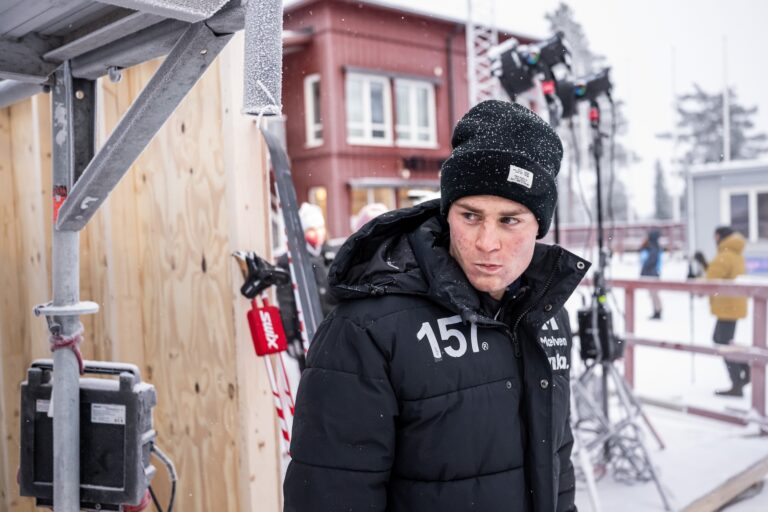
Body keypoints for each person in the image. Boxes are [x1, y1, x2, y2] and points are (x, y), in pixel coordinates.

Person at [283, 100, 590, 511]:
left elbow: (557, 460)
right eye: (470, 216)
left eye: (510, 220)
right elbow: (329, 493)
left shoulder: (547, 315)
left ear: (540, 224)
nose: (487, 242)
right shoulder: (366, 330)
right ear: (447, 215)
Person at [275, 202, 336, 370]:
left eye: (320, 228)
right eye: (311, 229)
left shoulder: (333, 255)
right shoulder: (291, 261)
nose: (317, 233)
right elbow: (286, 302)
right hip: (308, 332)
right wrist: (290, 335)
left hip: (335, 330)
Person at [698, 226, 749, 397]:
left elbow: (711, 279)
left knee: (722, 343)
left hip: (727, 306)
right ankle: (744, 370)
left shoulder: (725, 255)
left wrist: (695, 284)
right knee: (724, 341)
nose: (714, 239)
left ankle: (739, 380)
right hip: (732, 305)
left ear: (720, 236)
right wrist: (705, 264)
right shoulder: (734, 254)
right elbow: (717, 274)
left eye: (715, 236)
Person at [639, 229, 663, 319]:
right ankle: (656, 310)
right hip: (652, 274)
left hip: (652, 274)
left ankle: (658, 311)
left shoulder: (653, 248)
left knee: (654, 294)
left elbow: (650, 262)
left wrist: (644, 271)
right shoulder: (652, 247)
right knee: (653, 294)